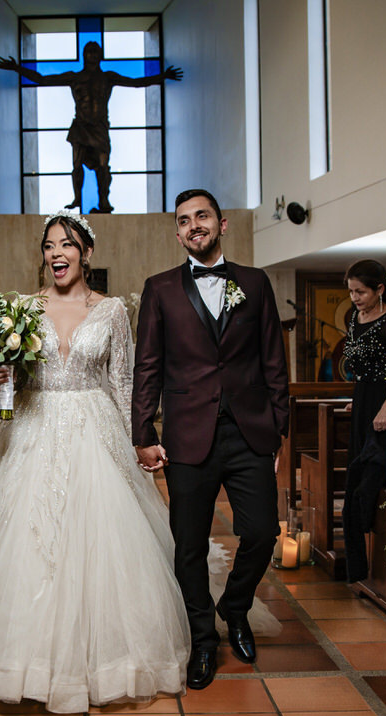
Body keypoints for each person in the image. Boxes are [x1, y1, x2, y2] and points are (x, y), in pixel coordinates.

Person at [0, 210, 277, 713]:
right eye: (48, 247)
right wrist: (2, 379)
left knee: (103, 535)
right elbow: (12, 386)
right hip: (30, 425)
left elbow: (126, 381)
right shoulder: (20, 309)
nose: (56, 254)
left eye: (66, 245)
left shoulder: (111, 312)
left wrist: (139, 439)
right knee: (23, 538)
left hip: (95, 426)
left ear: (86, 252)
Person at [132, 189, 292, 690]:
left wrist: (278, 426)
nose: (193, 225)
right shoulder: (159, 289)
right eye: (183, 220)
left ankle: (236, 608)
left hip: (250, 432)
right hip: (188, 435)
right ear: (177, 232)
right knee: (189, 547)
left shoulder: (254, 282)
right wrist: (144, 432)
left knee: (263, 532)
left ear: (222, 224)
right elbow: (148, 367)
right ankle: (204, 639)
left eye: (202, 216)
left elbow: (273, 359)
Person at [0, 44, 182, 213]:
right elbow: (42, 79)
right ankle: (77, 198)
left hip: (100, 128)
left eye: (95, 52)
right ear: (84, 55)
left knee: (103, 166)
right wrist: (16, 68)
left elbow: (136, 82)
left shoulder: (108, 77)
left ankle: (104, 201)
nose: (92, 55)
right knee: (77, 164)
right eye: (88, 52)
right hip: (80, 126)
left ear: (100, 55)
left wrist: (163, 76)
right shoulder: (75, 77)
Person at [338, 260, 386, 584]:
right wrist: (360, 400)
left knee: (370, 489)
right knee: (352, 489)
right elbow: (360, 369)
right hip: (362, 403)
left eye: (361, 291)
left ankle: (385, 567)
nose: (354, 297)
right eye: (351, 291)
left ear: (380, 289)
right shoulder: (355, 318)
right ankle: (357, 572)